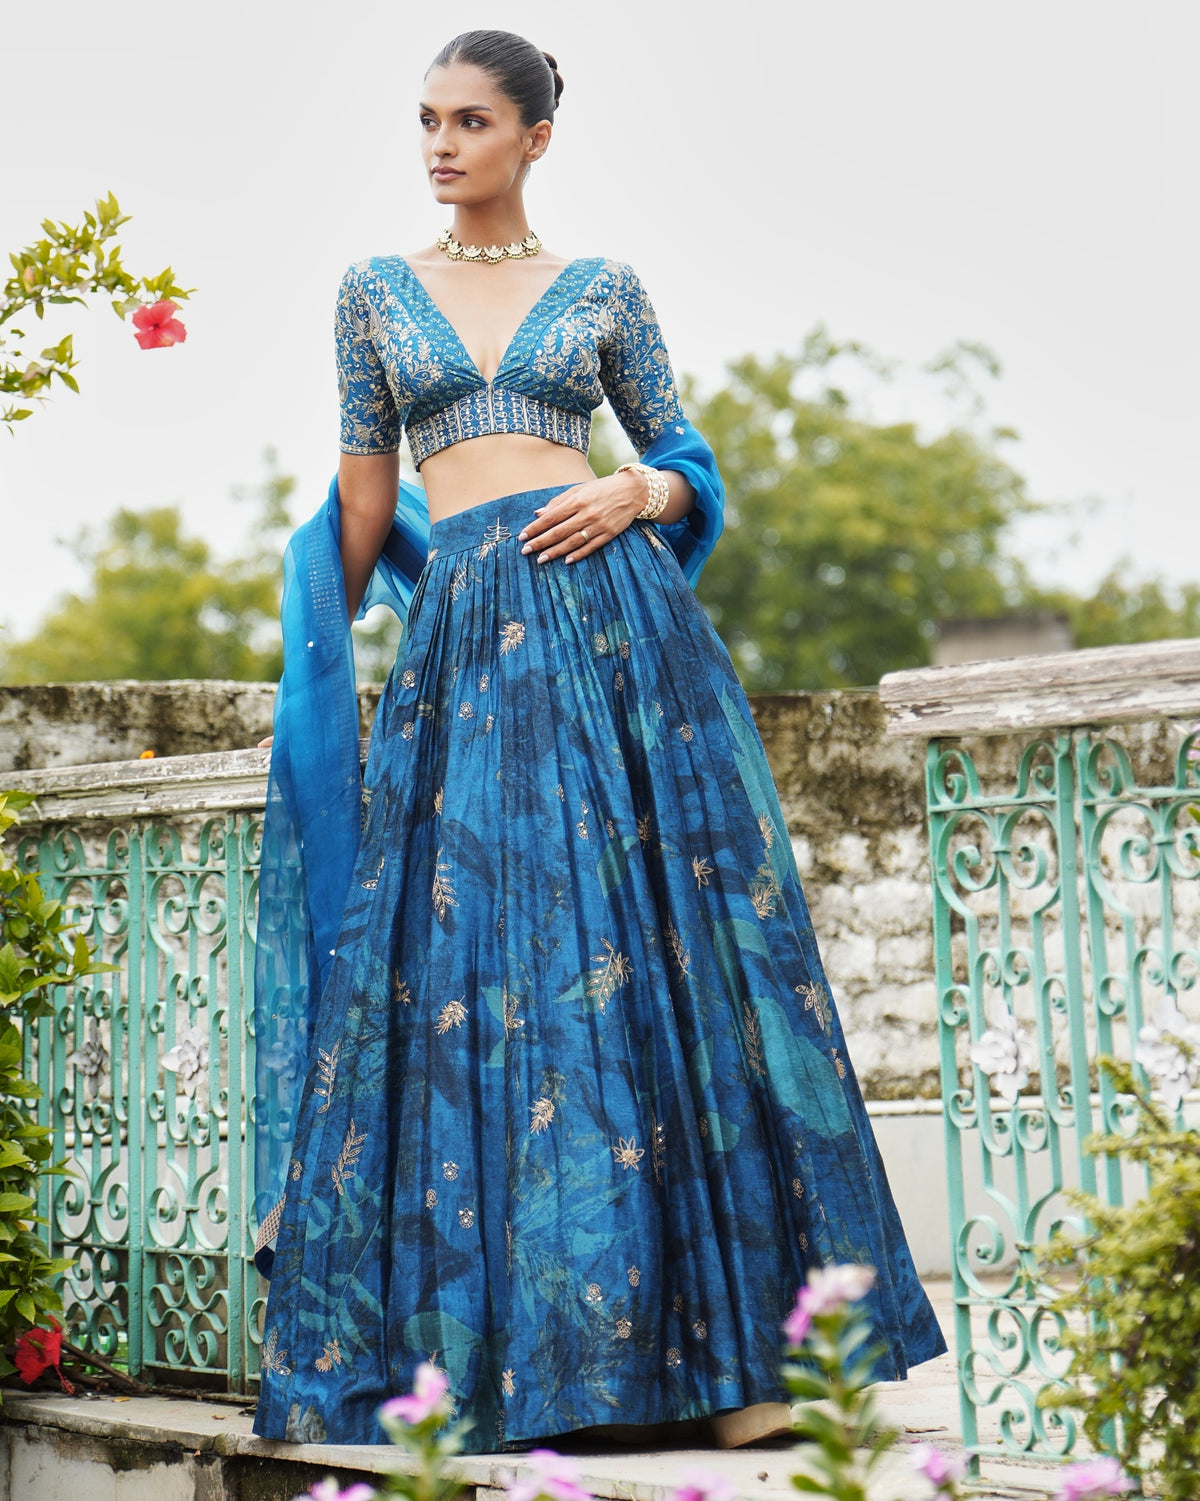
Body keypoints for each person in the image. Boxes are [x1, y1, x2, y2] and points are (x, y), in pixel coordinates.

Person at [251, 28, 945, 1455]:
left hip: (618, 629)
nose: (441, 145)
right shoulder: (374, 292)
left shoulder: (607, 288)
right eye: (428, 120)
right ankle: (533, 1362)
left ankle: (742, 1372)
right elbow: (365, 504)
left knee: (669, 957)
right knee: (483, 972)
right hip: (467, 648)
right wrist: (317, 668)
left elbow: (682, 460)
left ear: (535, 137)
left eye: (470, 121)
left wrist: (639, 494)